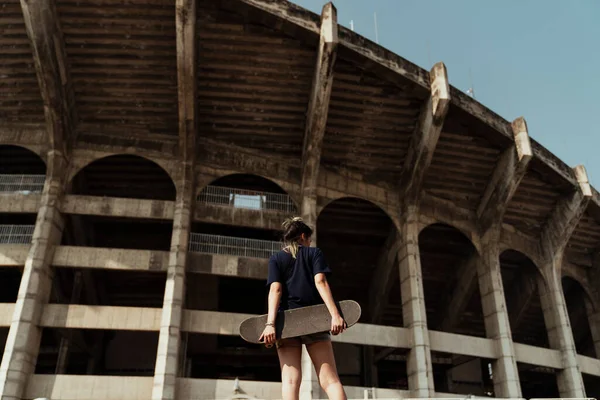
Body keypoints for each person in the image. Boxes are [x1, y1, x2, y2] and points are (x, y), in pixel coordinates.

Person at [259, 217, 347, 400]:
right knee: (330, 381)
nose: (310, 243)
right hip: (313, 320)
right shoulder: (314, 253)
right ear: (303, 236)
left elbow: (275, 290)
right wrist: (335, 315)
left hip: (287, 324)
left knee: (290, 383)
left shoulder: (276, 259)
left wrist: (270, 324)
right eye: (309, 239)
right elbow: (320, 281)